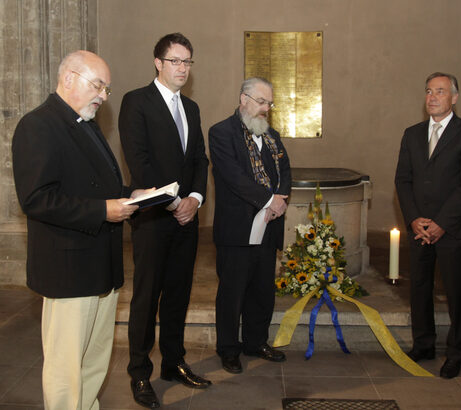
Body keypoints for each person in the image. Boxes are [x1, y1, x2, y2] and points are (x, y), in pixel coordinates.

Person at [12, 50, 148, 410]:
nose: (104, 96)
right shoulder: (37, 125)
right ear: (69, 77)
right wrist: (105, 210)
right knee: (65, 367)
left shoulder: (86, 125)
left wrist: (130, 196)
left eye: (107, 88)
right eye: (98, 85)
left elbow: (93, 187)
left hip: (101, 267)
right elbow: (38, 199)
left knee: (94, 360)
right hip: (68, 269)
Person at [119, 33, 210, 408]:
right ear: (158, 63)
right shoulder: (136, 102)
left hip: (187, 220)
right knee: (146, 297)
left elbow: (200, 160)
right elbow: (139, 162)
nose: (183, 69)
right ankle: (140, 373)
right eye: (175, 61)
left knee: (178, 294)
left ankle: (173, 362)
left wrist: (196, 199)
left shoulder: (191, 109)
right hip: (154, 218)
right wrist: (174, 203)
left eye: (187, 62)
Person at [395, 72, 461, 379]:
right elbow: (403, 180)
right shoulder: (412, 133)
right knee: (419, 289)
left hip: (452, 229)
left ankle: (456, 352)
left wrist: (442, 223)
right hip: (419, 227)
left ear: (455, 98)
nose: (433, 97)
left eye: (441, 92)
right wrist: (414, 218)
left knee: (456, 292)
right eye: (429, 91)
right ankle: (424, 345)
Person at [209, 77, 291, 374]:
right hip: (237, 228)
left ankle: (256, 342)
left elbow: (285, 171)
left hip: (269, 227)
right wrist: (270, 200)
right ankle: (229, 349)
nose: (266, 109)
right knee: (232, 293)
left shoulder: (272, 135)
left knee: (262, 290)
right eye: (261, 102)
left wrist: (278, 202)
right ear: (243, 99)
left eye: (269, 103)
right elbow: (233, 177)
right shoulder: (221, 133)